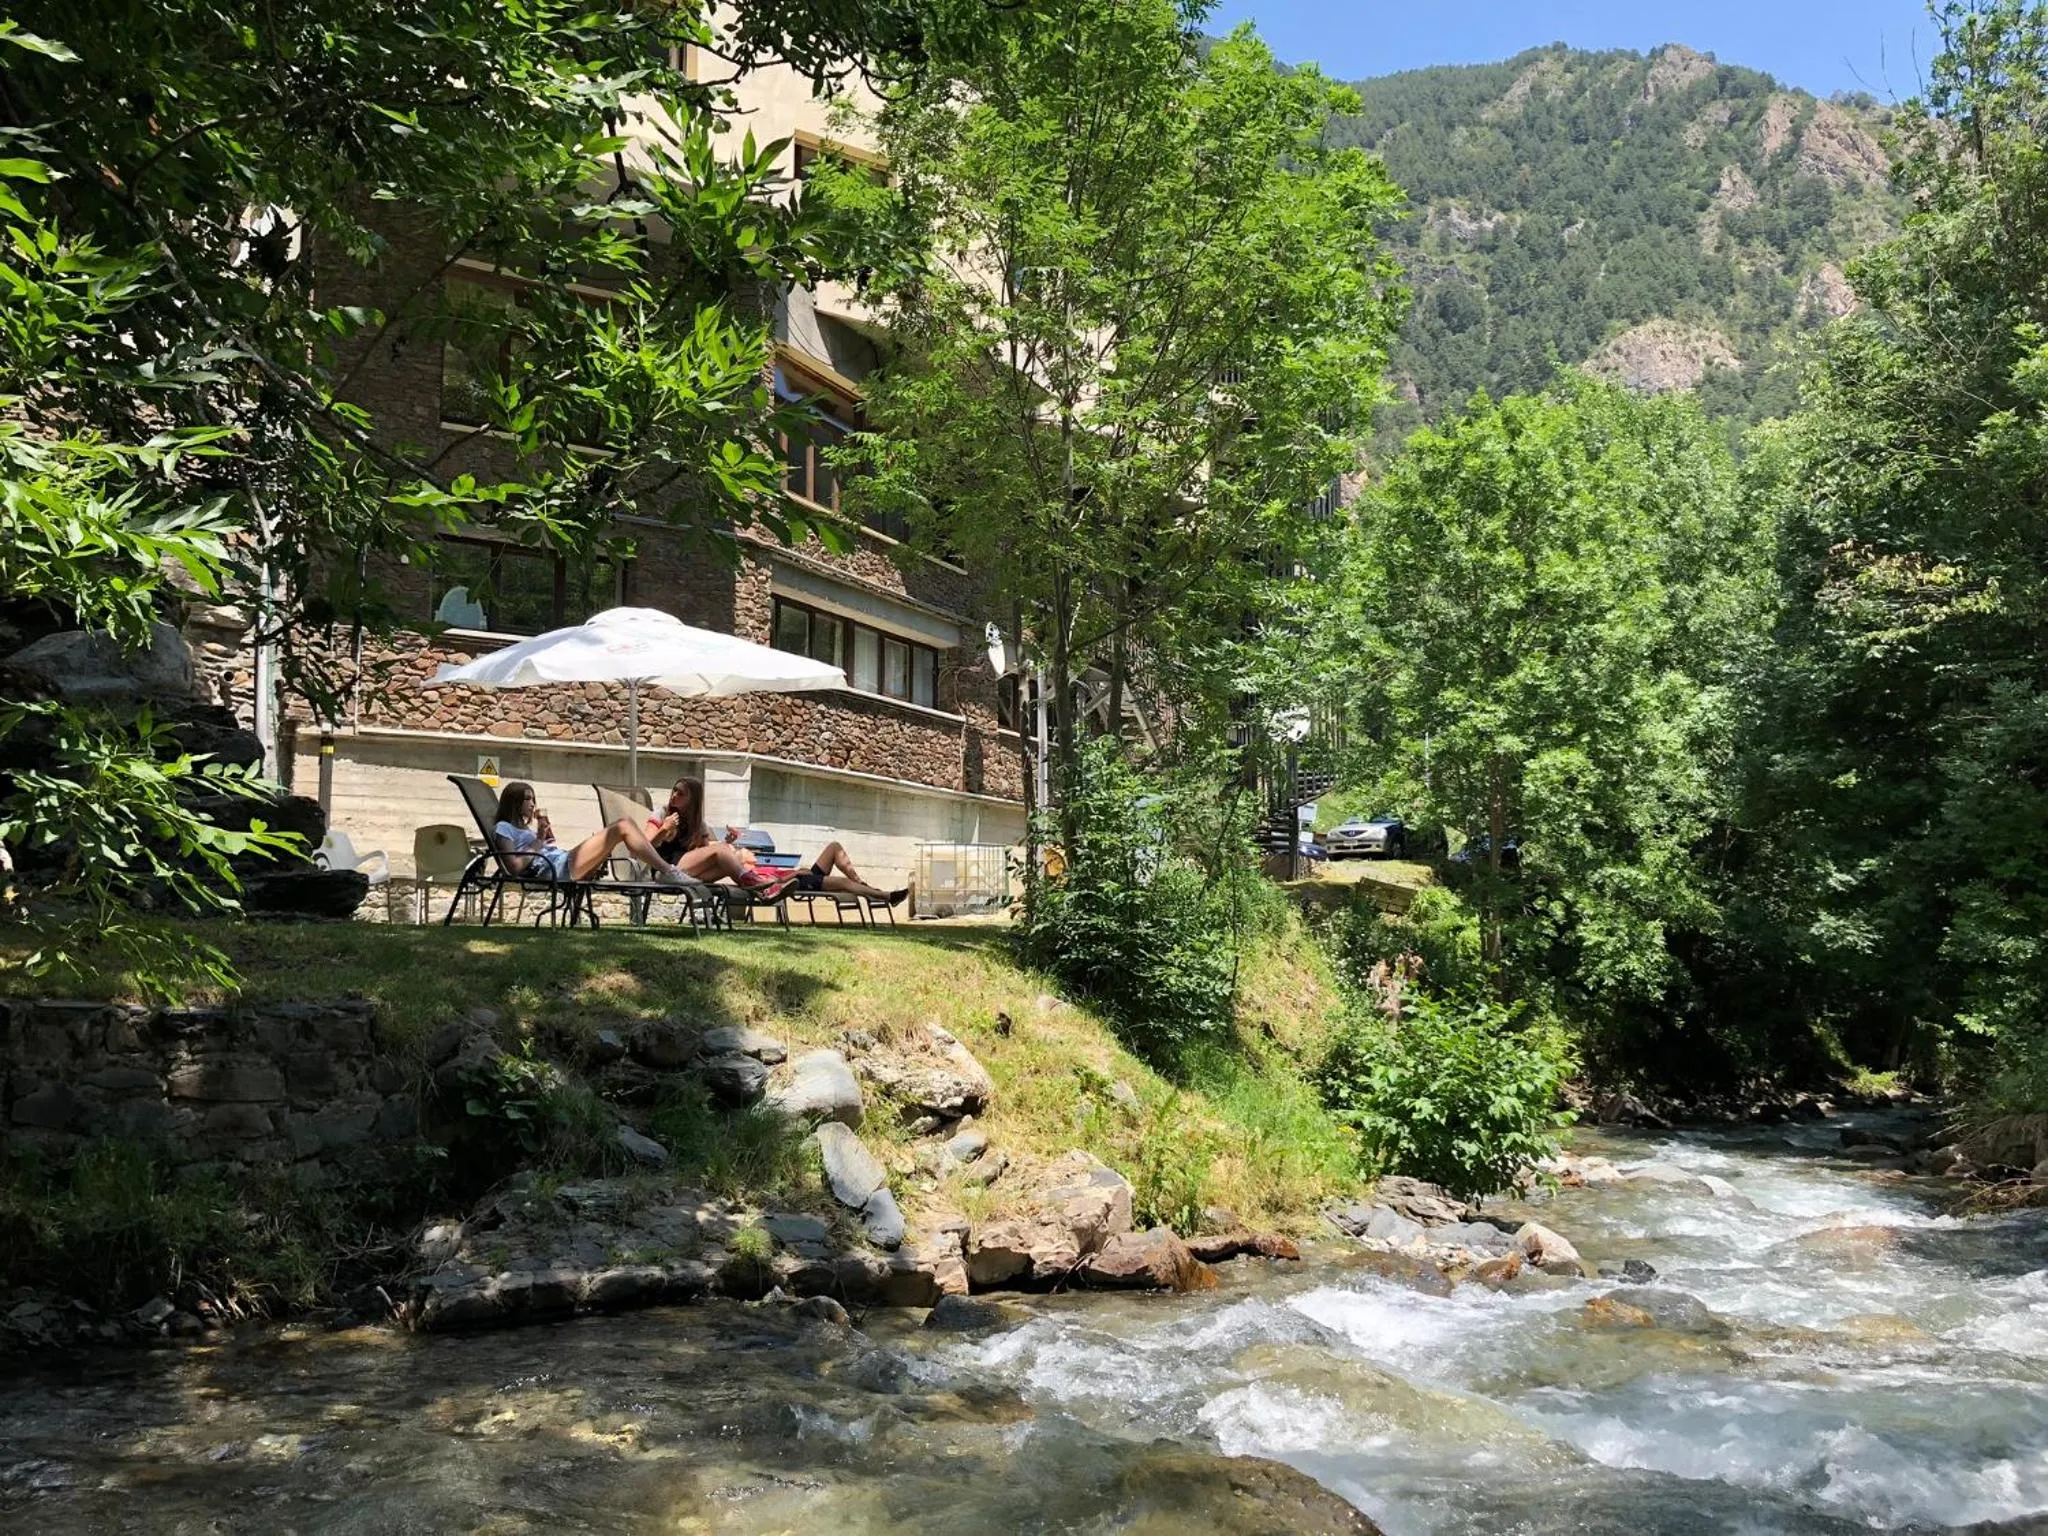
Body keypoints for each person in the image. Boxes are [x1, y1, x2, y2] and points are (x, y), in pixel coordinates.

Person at [652, 778, 908, 905]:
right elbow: (644, 846)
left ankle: (871, 889)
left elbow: (707, 851)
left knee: (725, 850)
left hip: (695, 872)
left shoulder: (699, 824)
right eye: (674, 791)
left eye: (680, 793)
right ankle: (763, 889)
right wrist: (664, 830)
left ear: (693, 800)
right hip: (670, 870)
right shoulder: (662, 814)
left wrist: (728, 845)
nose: (674, 795)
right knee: (727, 851)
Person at [491, 781, 695, 885]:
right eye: (527, 799)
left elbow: (549, 848)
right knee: (623, 826)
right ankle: (668, 872)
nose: (532, 803)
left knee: (616, 831)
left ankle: (668, 871)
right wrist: (537, 840)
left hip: (560, 860)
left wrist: (545, 833)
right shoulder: (504, 828)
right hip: (554, 869)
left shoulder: (526, 829)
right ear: (514, 802)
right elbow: (514, 867)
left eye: (533, 798)